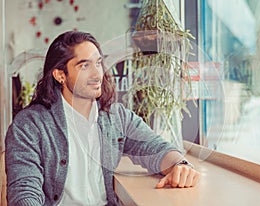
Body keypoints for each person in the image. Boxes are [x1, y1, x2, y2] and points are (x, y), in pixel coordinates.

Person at [5, 31, 200, 206]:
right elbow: (24, 190)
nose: (97, 74)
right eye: (84, 66)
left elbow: (154, 147)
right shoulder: (29, 125)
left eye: (98, 63)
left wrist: (180, 165)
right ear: (60, 75)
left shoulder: (116, 117)